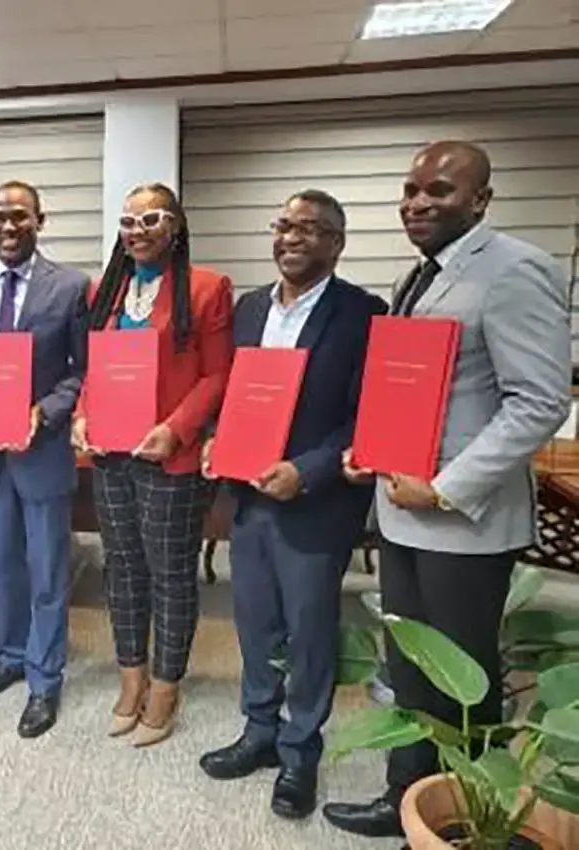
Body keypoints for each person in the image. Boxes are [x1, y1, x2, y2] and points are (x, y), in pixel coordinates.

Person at [323, 141, 572, 839]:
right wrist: (367, 452)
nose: (418, 202)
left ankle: (469, 818)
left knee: (465, 683)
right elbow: (422, 393)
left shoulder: (515, 269)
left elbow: (539, 400)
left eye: (439, 190)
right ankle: (407, 800)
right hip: (402, 511)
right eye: (410, 190)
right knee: (410, 669)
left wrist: (446, 487)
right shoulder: (424, 275)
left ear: (481, 200)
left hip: (464, 519)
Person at [197, 191, 387, 820]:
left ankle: (301, 747)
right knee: (254, 623)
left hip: (313, 504)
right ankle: (259, 731)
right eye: (283, 226)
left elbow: (366, 419)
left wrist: (306, 472)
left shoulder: (363, 314)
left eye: (309, 229)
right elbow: (235, 400)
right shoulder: (250, 308)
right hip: (248, 499)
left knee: (308, 634)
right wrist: (214, 445)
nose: (291, 238)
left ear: (337, 242)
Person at [72, 182, 233, 747]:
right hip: (112, 454)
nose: (137, 231)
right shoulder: (103, 289)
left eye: (151, 220)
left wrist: (176, 429)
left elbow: (217, 374)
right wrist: (84, 413)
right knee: (123, 569)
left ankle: (166, 687)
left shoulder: (207, 288)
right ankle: (130, 677)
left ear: (176, 226)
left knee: (168, 575)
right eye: (128, 222)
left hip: (171, 458)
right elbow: (93, 366)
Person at [0, 180, 88, 739]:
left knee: (47, 571)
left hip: (41, 452)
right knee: (0, 565)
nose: (8, 227)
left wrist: (47, 411)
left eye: (19, 217)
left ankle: (44, 677)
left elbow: (83, 369)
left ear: (40, 219)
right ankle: (10, 654)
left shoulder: (71, 286)